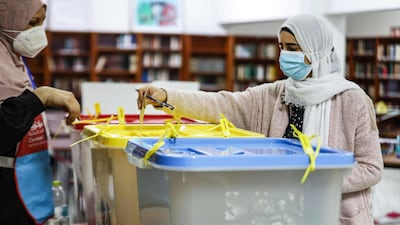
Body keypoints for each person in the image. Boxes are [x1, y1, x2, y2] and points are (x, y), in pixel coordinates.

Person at [137, 14, 383, 225]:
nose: (285, 55)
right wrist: (167, 97)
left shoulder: (353, 100)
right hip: (281, 214)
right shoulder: (273, 95)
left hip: (335, 216)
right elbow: (219, 104)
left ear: (315, 51)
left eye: (294, 49)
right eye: (282, 47)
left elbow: (371, 168)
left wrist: (319, 182)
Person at [0, 1, 80, 224]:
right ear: (7, 19)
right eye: (32, 22)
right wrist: (41, 97)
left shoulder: (13, 59)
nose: (37, 32)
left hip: (24, 187)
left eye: (42, 23)